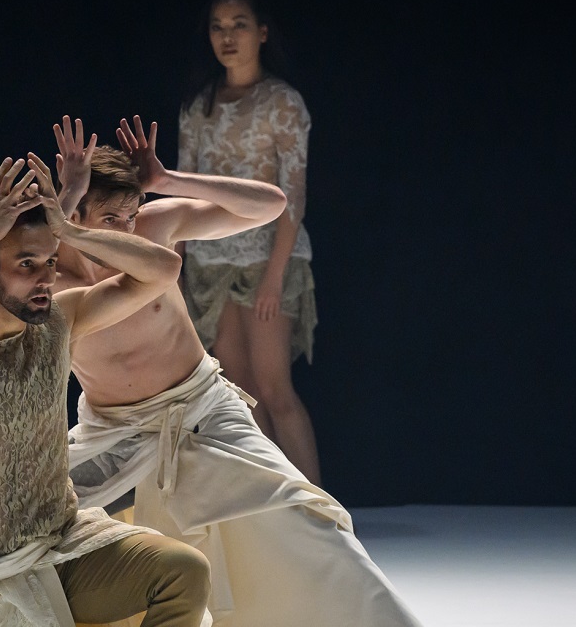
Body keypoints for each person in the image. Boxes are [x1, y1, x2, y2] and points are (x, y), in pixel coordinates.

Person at [58, 117, 422, 627]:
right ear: (75, 212)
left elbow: (269, 205)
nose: (125, 230)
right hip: (112, 432)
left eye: (129, 215)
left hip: (202, 411)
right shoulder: (48, 275)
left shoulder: (157, 226)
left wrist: (167, 182)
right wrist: (62, 219)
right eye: (109, 220)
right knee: (35, 531)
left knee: (303, 524)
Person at [0, 155, 211, 627]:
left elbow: (163, 270)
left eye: (50, 263)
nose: (45, 278)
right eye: (26, 264)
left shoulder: (60, 319)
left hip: (64, 547)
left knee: (183, 572)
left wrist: (72, 230)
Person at [177, 0, 320, 483]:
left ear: (262, 31)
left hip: (266, 258)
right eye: (218, 26)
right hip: (211, 263)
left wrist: (275, 277)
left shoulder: (282, 103)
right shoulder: (200, 106)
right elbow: (180, 192)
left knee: (275, 388)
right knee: (240, 391)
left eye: (239, 24)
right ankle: (274, 509)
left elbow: (293, 194)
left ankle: (320, 515)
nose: (227, 36)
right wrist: (171, 266)